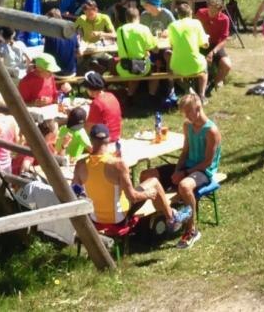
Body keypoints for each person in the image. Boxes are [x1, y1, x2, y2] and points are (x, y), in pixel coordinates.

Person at [136, 93, 221, 250]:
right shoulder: (187, 125)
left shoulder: (211, 131)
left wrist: (184, 173)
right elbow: (185, 151)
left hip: (203, 171)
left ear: (198, 108)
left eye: (189, 112)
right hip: (187, 167)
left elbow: (208, 162)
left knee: (184, 186)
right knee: (147, 175)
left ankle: (191, 231)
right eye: (184, 113)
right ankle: (149, 221)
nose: (187, 116)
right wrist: (177, 170)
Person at [76, 123, 150, 229]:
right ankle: (171, 218)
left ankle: (171, 217)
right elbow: (133, 197)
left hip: (94, 218)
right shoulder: (118, 164)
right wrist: (149, 194)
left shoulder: (80, 164)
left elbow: (74, 190)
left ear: (91, 140)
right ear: (109, 139)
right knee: (153, 182)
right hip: (119, 220)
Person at [165, 2, 212, 96]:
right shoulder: (196, 23)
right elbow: (205, 45)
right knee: (204, 70)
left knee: (170, 63)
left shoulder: (172, 25)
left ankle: (185, 87)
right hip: (195, 64)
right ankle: (202, 95)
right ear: (191, 13)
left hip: (177, 66)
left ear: (178, 14)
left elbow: (169, 43)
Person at [195, 0, 233, 89]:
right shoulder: (200, 12)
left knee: (227, 65)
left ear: (220, 10)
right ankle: (196, 81)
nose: (211, 13)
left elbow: (224, 39)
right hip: (201, 43)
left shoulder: (225, 19)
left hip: (215, 45)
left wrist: (213, 52)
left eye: (214, 11)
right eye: (210, 10)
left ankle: (216, 81)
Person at [75, 0, 116, 70]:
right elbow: (71, 31)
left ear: (96, 10)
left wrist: (100, 34)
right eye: (85, 11)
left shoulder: (104, 18)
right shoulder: (81, 19)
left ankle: (95, 63)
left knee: (103, 57)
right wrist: (77, 37)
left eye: (91, 12)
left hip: (100, 47)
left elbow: (114, 35)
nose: (88, 14)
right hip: (85, 47)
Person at [82, 71, 123, 140]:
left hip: (104, 140)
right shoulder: (111, 95)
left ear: (90, 90)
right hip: (117, 135)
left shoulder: (96, 103)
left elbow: (89, 127)